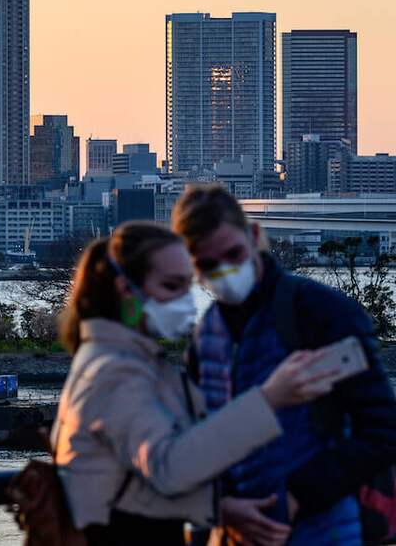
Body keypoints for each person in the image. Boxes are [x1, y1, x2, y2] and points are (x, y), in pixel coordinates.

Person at [53, 221, 337, 545]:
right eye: (171, 286)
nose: (186, 302)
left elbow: (131, 482)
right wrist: (269, 399)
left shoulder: (122, 359)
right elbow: (169, 466)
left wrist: (219, 508)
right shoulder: (115, 372)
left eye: (187, 286)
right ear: (125, 289)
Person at [172, 184, 396, 546]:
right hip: (236, 531)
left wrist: (300, 495)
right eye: (208, 265)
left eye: (233, 255)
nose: (225, 272)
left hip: (325, 528)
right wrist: (224, 505)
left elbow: (383, 431)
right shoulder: (205, 337)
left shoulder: (320, 313)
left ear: (255, 236)